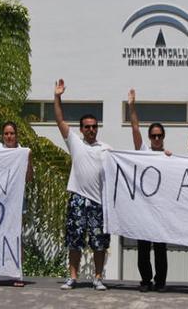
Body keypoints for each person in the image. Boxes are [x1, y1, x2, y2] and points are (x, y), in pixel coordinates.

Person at [54, 79, 112, 291]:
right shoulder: (75, 143)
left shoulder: (106, 149)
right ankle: (72, 277)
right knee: (74, 241)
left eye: (94, 127)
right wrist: (57, 96)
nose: (91, 130)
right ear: (81, 129)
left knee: (99, 243)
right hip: (78, 198)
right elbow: (59, 120)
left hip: (99, 203)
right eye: (87, 127)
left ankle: (98, 278)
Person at [0, 89, 33, 287]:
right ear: (3, 136)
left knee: (16, 237)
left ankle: (16, 274)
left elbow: (29, 179)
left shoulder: (22, 152)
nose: (9, 136)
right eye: (6, 133)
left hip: (16, 203)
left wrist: (29, 161)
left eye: (12, 133)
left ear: (17, 135)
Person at [127, 88, 172, 293]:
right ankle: (146, 280)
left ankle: (160, 281)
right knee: (143, 248)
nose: (156, 138)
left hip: (160, 209)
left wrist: (171, 159)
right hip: (143, 208)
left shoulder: (168, 157)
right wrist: (132, 106)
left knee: (160, 249)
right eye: (153, 136)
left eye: (159, 136)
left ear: (163, 137)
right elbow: (135, 127)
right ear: (149, 137)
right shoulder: (143, 151)